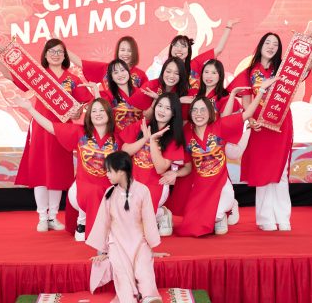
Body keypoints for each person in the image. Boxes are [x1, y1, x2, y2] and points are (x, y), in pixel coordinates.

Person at [0, 39, 92, 233]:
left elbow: (87, 102)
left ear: (65, 55)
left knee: (57, 172)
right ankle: (42, 217)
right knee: (41, 172)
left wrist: (78, 111)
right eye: (52, 51)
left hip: (62, 131)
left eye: (59, 52)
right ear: (45, 54)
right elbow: (10, 76)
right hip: (40, 128)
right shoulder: (37, 75)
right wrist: (0, 58)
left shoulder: (73, 79)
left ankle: (53, 217)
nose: (56, 55)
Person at [162, 79, 275, 237]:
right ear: (190, 113)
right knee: (190, 229)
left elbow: (247, 113)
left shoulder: (219, 126)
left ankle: (224, 212)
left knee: (214, 216)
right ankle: (216, 215)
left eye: (203, 110)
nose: (199, 114)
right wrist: (175, 173)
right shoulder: (186, 135)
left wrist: (261, 90)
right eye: (195, 110)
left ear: (210, 112)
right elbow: (187, 167)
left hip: (221, 183)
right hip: (201, 187)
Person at [233, 32, 312, 232]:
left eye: (275, 44)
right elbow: (246, 100)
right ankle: (265, 219)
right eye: (267, 43)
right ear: (260, 45)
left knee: (280, 172)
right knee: (263, 171)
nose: (271, 46)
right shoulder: (249, 71)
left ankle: (283, 218)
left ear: (279, 49)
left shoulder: (284, 69)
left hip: (281, 124)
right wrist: (250, 120)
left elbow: (311, 64)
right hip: (260, 126)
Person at [13, 97, 119, 242]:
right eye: (94, 111)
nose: (98, 113)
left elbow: (130, 149)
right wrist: (30, 109)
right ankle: (82, 223)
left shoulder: (117, 138)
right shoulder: (80, 132)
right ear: (89, 115)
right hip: (83, 189)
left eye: (102, 110)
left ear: (109, 114)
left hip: (107, 189)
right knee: (92, 190)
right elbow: (51, 127)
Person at [87, 151, 164, 303]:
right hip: (117, 244)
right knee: (122, 276)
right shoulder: (110, 193)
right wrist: (103, 251)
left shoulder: (142, 190)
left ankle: (149, 297)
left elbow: (148, 220)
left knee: (144, 268)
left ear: (121, 171)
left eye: (109, 171)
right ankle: (128, 299)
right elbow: (103, 223)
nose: (107, 175)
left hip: (139, 242)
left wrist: (151, 245)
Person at [120, 93, 185, 236]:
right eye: (160, 106)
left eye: (167, 108)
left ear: (174, 113)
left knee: (136, 228)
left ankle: (161, 213)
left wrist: (153, 141)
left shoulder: (174, 137)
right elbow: (125, 151)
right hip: (133, 181)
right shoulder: (143, 125)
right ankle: (160, 213)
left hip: (156, 185)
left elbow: (160, 168)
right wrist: (145, 139)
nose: (162, 110)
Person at [168, 19, 239, 89]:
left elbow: (218, 50)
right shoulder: (165, 68)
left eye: (183, 46)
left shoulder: (195, 63)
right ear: (171, 48)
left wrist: (228, 26)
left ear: (189, 50)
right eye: (176, 45)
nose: (179, 49)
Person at [86, 59, 144, 132]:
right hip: (116, 135)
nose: (120, 74)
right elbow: (101, 113)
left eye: (122, 70)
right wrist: (96, 90)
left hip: (139, 134)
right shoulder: (107, 94)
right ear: (111, 77)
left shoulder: (140, 92)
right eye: (116, 72)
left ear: (128, 72)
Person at [68, 36, 147, 89]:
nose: (125, 54)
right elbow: (80, 62)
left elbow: (147, 100)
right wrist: (62, 48)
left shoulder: (141, 75)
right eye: (122, 50)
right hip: (108, 110)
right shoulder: (107, 69)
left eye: (129, 51)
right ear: (118, 52)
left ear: (134, 53)